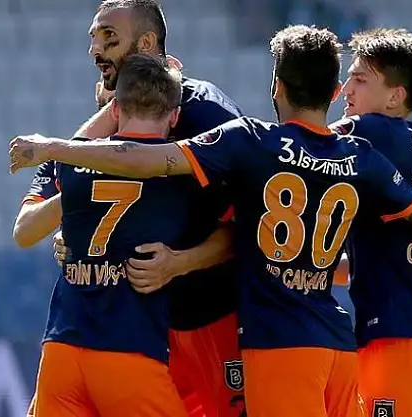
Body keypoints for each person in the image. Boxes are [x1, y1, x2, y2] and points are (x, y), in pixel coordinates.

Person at [8, 24, 412, 417]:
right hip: (340, 341)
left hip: (282, 343)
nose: (348, 92)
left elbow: (144, 158)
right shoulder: (361, 157)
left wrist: (53, 149)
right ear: (331, 92)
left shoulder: (254, 142)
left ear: (276, 87)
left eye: (359, 81)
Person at [13, 1, 246, 416]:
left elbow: (249, 223)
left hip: (207, 316)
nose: (95, 50)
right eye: (93, 39)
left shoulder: (207, 114)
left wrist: (180, 263)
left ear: (147, 43)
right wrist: (76, 221)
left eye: (109, 38)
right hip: (136, 330)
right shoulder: (99, 133)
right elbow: (42, 213)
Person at [329, 28, 412, 417]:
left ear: (394, 96)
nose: (346, 90)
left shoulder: (371, 130)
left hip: (400, 346)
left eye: (359, 79)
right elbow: (384, 257)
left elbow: (304, 141)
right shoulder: (411, 146)